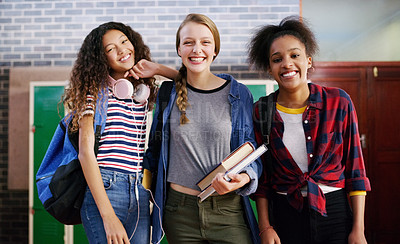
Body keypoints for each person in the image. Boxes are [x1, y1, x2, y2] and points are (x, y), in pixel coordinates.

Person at [248, 16, 371, 244]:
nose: (287, 64)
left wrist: (358, 230)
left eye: (295, 55)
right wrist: (265, 228)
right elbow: (262, 180)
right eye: (277, 59)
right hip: (285, 215)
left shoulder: (339, 102)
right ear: (269, 67)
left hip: (334, 213)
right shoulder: (261, 111)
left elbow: (356, 171)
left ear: (308, 60)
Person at [144, 13, 262, 244]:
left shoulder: (238, 94)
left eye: (205, 42)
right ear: (179, 49)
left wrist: (246, 178)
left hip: (227, 211)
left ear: (215, 49)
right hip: (178, 212)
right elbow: (153, 151)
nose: (197, 49)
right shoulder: (167, 94)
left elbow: (252, 151)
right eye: (188, 42)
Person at [63, 21, 177, 244]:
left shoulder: (140, 93)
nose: (122, 50)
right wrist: (108, 217)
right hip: (106, 188)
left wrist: (158, 69)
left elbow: (191, 84)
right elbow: (86, 153)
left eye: (124, 41)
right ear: (101, 59)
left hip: (139, 191)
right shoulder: (94, 93)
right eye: (110, 49)